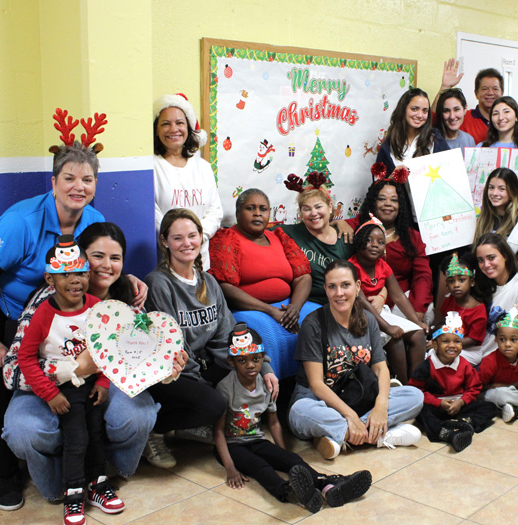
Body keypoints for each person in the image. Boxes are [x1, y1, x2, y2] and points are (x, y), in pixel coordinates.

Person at [0, 138, 108, 511]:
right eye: (69, 178)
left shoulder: (94, 221)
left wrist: (129, 280)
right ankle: (3, 471)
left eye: (87, 179)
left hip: (42, 312)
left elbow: (99, 266)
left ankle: (5, 451)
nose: (78, 187)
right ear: (52, 183)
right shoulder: (23, 221)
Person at [3, 222, 158, 503]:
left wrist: (165, 364)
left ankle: (104, 475)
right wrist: (70, 370)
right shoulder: (45, 304)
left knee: (135, 416)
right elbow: (12, 370)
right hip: (46, 388)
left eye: (115, 258)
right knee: (26, 431)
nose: (105, 266)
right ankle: (61, 485)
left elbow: (136, 358)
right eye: (97, 256)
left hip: (97, 386)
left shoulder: (128, 296)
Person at [145, 209, 279, 468]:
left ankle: (193, 425)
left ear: (201, 238)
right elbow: (172, 344)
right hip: (173, 372)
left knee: (250, 376)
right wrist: (207, 383)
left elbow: (229, 333)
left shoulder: (208, 281)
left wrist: (263, 367)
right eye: (178, 238)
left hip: (204, 365)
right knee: (215, 402)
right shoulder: (159, 283)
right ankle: (156, 431)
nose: (187, 244)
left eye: (192, 236)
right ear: (165, 241)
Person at [16, 238, 124, 523]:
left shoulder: (97, 306)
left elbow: (105, 348)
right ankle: (73, 493)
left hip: (92, 382)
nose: (75, 281)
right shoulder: (42, 315)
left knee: (96, 431)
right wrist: (49, 393)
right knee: (76, 438)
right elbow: (25, 359)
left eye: (80, 272)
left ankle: (98, 485)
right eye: (65, 274)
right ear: (50, 277)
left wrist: (103, 382)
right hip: (64, 385)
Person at [214, 323, 372, 512]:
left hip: (256, 440)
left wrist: (284, 454)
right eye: (242, 360)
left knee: (293, 460)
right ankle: (289, 492)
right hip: (232, 445)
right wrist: (230, 468)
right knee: (260, 467)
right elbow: (218, 432)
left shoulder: (266, 384)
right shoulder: (225, 389)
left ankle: (327, 484)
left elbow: (273, 422)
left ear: (263, 358)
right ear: (231, 362)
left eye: (255, 359)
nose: (250, 365)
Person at [288, 260, 424, 460]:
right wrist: (350, 416)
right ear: (325, 289)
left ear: (357, 287)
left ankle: (339, 436)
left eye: (345, 285)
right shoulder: (313, 324)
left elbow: (381, 369)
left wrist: (381, 405)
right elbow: (316, 385)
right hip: (320, 401)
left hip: (358, 396)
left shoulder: (368, 320)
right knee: (299, 412)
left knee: (415, 396)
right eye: (332, 287)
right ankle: (380, 435)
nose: (339, 293)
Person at [210, 189, 319, 378]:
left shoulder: (279, 237)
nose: (257, 213)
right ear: (238, 214)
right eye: (250, 208)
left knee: (322, 318)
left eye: (263, 209)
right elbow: (224, 286)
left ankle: (319, 383)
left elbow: (303, 276)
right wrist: (270, 311)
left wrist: (295, 307)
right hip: (249, 310)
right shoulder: (227, 238)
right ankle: (271, 395)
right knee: (264, 333)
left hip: (288, 305)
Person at [348, 216, 428, 384]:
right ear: (358, 241)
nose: (375, 244)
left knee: (418, 334)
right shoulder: (351, 267)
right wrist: (388, 327)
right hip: (361, 317)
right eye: (368, 240)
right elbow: (361, 302)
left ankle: (417, 386)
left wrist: (417, 321)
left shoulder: (383, 265)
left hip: (381, 313)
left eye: (380, 242)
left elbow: (398, 296)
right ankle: (403, 386)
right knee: (395, 338)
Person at [408, 312, 499, 452]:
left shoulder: (464, 365)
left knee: (490, 407)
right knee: (422, 412)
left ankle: (463, 423)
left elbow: (474, 387)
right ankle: (448, 434)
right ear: (434, 344)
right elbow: (415, 391)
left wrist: (462, 401)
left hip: (459, 405)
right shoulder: (426, 367)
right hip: (436, 406)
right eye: (445, 341)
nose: (452, 345)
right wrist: (439, 403)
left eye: (457, 341)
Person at [342, 180, 433, 318]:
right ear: (373, 202)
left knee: (427, 311)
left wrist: (418, 310)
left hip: (400, 303)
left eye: (394, 200)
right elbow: (326, 228)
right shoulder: (357, 226)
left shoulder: (412, 237)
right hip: (364, 303)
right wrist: (339, 223)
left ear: (400, 205)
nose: (388, 204)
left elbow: (423, 276)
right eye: (382, 199)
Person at [153, 93, 223, 267]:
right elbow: (153, 216)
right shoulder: (152, 167)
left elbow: (215, 211)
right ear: (156, 129)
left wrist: (196, 239)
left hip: (201, 263)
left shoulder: (203, 167)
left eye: (179, 123)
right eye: (165, 124)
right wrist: (179, 241)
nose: (173, 129)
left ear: (189, 127)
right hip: (167, 263)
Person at [472, 233, 518, 367]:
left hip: (500, 364)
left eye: (491, 258)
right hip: (479, 353)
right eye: (481, 260)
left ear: (505, 256)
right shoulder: (485, 284)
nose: (486, 265)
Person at [279, 184, 353, 305]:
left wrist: (382, 293)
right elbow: (257, 230)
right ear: (301, 213)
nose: (313, 213)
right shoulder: (290, 233)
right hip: (306, 302)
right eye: (307, 209)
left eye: (318, 207)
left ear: (329, 207)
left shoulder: (345, 237)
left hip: (340, 302)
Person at [473, 167, 518, 267]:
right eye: (491, 187)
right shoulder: (484, 217)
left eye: (502, 189)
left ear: (512, 192)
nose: (495, 193)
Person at [375, 88, 450, 176]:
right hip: (395, 189)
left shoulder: (435, 139)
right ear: (403, 110)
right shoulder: (389, 144)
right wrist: (392, 178)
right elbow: (378, 183)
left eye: (425, 111)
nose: (420, 115)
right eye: (414, 109)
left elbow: (448, 171)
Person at [432, 61, 503, 144]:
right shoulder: (461, 116)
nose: (490, 92)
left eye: (495, 88)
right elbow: (431, 121)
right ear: (476, 93)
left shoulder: (506, 121)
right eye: (484, 88)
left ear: (502, 93)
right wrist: (444, 87)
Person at [434, 253, 487, 364]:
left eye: (461, 280)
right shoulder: (450, 300)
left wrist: (448, 343)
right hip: (449, 344)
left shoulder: (478, 309)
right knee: (431, 354)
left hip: (470, 350)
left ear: (471, 282)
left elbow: (473, 340)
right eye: (451, 281)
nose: (456, 285)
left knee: (447, 358)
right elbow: (443, 323)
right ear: (447, 285)